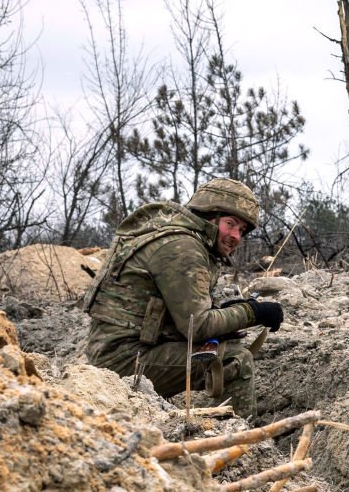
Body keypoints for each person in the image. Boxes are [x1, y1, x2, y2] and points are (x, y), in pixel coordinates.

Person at [83, 177, 283, 414]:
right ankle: (243, 442)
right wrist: (253, 312)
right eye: (230, 224)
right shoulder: (183, 249)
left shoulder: (177, 239)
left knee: (222, 342)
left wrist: (228, 315)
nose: (236, 236)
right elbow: (196, 326)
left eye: (241, 230)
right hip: (123, 360)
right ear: (209, 216)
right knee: (236, 359)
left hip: (117, 351)